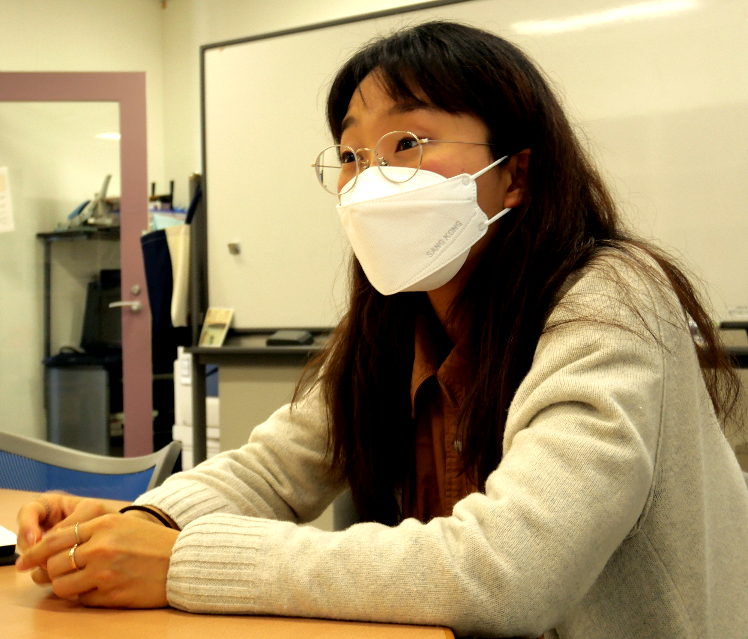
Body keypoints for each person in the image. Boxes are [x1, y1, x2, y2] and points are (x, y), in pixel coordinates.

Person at [15, 21, 748, 638]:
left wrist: (179, 560)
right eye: (351, 155)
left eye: (408, 142)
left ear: (516, 174)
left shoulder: (613, 299)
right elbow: (276, 468)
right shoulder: (399, 315)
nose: (369, 180)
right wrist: (135, 520)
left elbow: (512, 567)